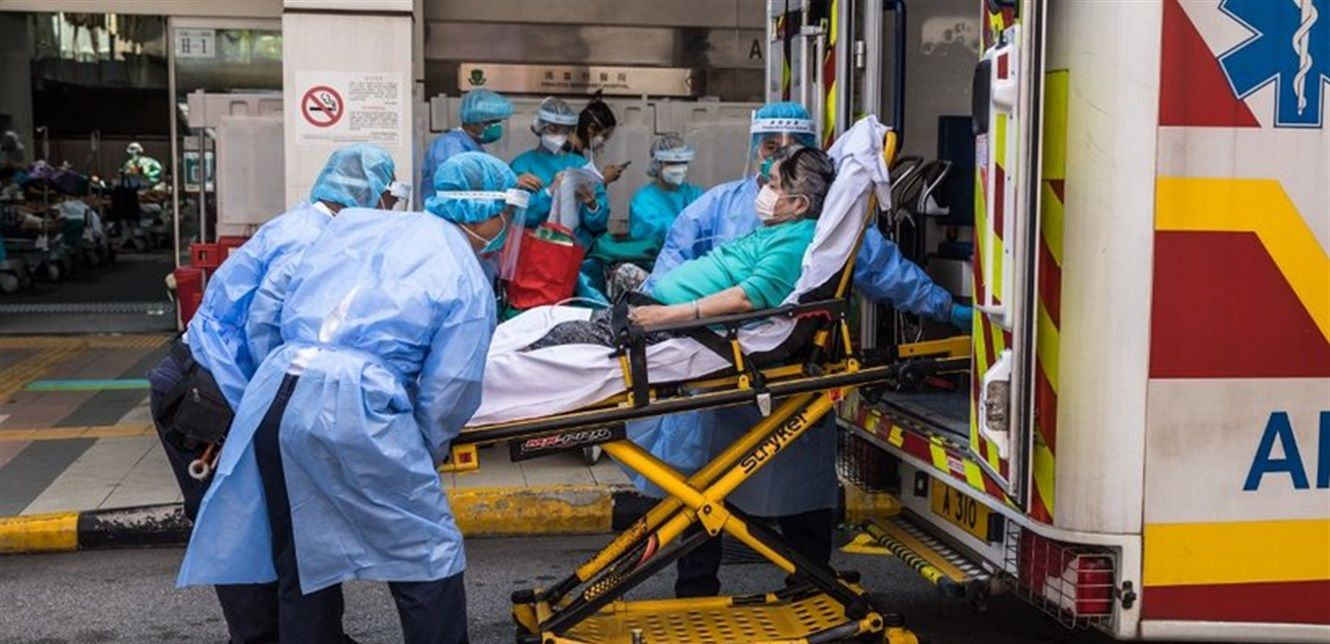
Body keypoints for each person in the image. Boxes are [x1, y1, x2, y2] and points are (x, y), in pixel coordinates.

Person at [635, 101, 974, 599]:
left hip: (782, 370)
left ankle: (809, 584)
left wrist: (946, 309)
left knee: (790, 491)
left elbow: (886, 271)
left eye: (792, 148)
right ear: (755, 148)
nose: (779, 156)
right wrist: (656, 322)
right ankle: (698, 590)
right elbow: (670, 275)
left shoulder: (825, 225)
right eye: (771, 147)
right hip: (713, 372)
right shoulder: (712, 209)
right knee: (704, 489)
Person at [177, 151, 517, 644]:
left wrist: (286, 370)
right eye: (503, 212)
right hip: (356, 405)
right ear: (482, 210)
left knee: (299, 550)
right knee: (426, 551)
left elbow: (268, 309)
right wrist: (422, 446)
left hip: (276, 392)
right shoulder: (464, 272)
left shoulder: (362, 227)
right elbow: (452, 386)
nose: (506, 224)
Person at [148, 143, 398, 643]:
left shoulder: (307, 226)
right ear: (368, 193)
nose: (389, 208)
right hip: (206, 395)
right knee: (238, 522)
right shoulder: (310, 242)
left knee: (272, 521)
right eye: (388, 197)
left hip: (225, 381)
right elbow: (268, 333)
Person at [529, 145, 832, 350]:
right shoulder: (775, 229)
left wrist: (665, 316)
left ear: (799, 204)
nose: (763, 190)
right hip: (661, 311)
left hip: (675, 326)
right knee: (542, 326)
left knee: (553, 341)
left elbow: (744, 300)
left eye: (773, 185)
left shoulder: (793, 242)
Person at [509, 96, 610, 248]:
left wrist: (592, 206)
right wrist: (549, 192)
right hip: (534, 249)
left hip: (575, 250)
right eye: (553, 129)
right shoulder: (521, 165)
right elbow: (516, 216)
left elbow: (599, 224)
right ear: (538, 127)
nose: (559, 134)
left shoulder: (581, 165)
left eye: (564, 130)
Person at [420, 88, 514, 191]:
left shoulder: (473, 146)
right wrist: (507, 181)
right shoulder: (449, 145)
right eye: (491, 122)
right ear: (472, 121)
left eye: (499, 121)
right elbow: (454, 181)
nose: (496, 126)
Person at [628, 134, 704, 253]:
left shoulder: (695, 194)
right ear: (656, 165)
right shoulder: (643, 200)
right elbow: (648, 232)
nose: (679, 168)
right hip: (654, 258)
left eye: (683, 162)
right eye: (672, 163)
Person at [570, 93, 627, 185]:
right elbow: (577, 192)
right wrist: (603, 180)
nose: (603, 142)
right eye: (604, 136)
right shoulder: (571, 158)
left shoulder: (575, 155)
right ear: (591, 128)